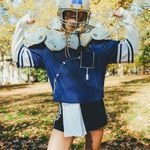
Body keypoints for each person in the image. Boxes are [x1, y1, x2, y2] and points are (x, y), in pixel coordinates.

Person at [11, 0, 139, 149]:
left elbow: (130, 49)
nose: (75, 18)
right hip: (67, 108)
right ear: (62, 14)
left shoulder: (98, 43)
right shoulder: (49, 45)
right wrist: (20, 27)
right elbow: (18, 56)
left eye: (80, 14)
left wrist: (127, 19)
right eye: (71, 14)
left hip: (95, 106)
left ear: (86, 16)